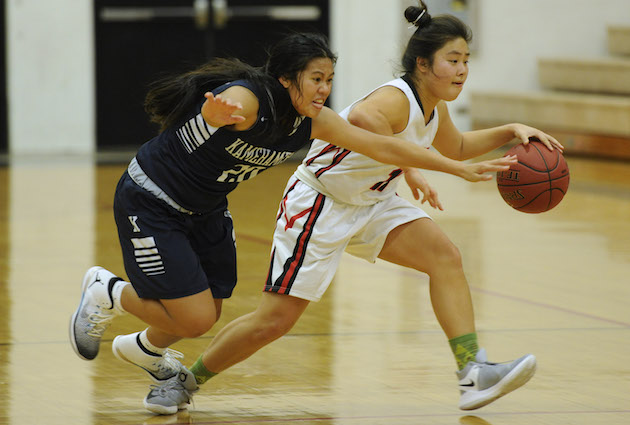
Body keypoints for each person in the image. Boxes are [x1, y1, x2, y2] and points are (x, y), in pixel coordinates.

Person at [135, 1, 565, 416]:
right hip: (320, 204)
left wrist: (511, 129)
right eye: (453, 60)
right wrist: (421, 167)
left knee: (446, 257)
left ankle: (473, 371)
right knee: (274, 322)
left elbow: (456, 145)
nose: (462, 70)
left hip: (372, 201)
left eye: (466, 60)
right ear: (422, 64)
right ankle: (184, 381)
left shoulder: (433, 107)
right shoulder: (394, 99)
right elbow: (365, 123)